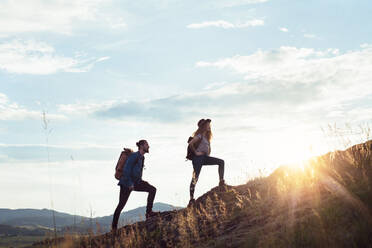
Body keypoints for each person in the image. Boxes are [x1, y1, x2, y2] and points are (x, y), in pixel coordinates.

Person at [112, 140, 158, 232]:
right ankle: (114, 228)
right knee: (121, 205)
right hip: (126, 183)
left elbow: (137, 172)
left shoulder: (142, 157)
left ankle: (148, 213)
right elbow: (126, 170)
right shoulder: (134, 156)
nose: (148, 146)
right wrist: (130, 184)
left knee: (152, 189)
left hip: (136, 182)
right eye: (147, 145)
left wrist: (142, 182)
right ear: (141, 146)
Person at [188, 119, 225, 206]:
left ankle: (221, 181)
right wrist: (196, 153)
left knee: (221, 162)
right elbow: (190, 144)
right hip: (198, 159)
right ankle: (191, 199)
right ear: (203, 126)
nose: (209, 127)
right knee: (195, 178)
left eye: (209, 125)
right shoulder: (199, 136)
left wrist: (207, 152)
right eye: (207, 125)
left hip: (204, 158)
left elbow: (208, 149)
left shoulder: (207, 137)